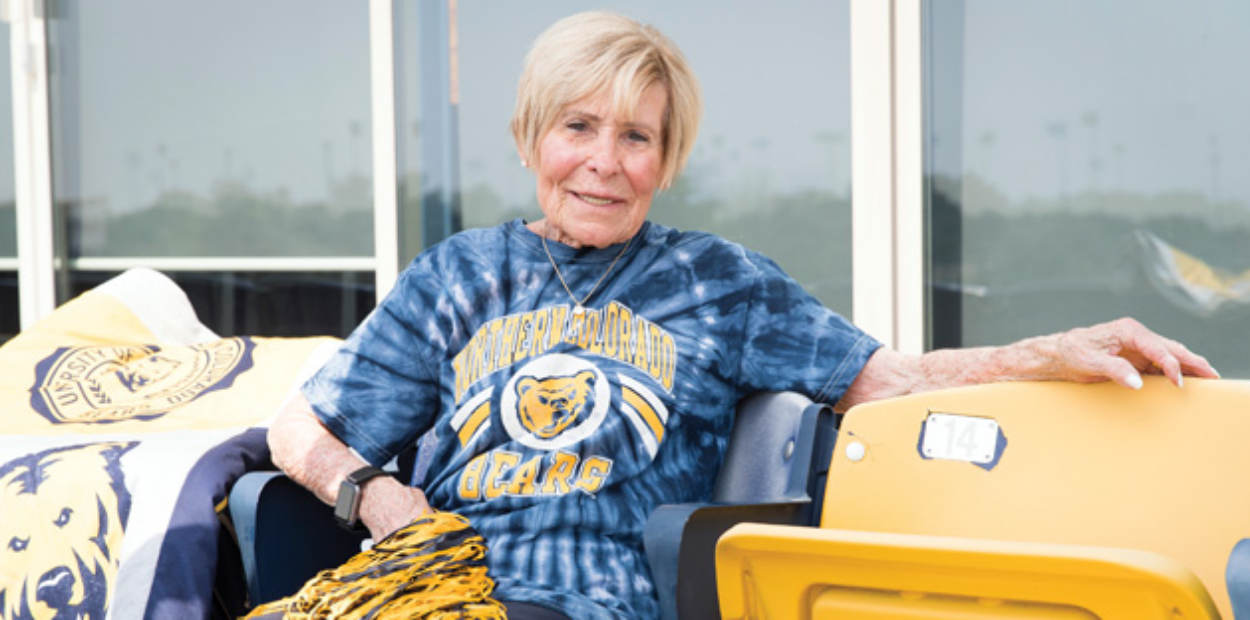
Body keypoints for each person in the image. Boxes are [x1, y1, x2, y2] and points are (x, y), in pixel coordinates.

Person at [267, 10, 1219, 620]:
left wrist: (1057, 351)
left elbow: (890, 381)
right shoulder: (458, 275)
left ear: (666, 159)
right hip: (438, 588)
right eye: (579, 127)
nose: (605, 160)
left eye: (636, 136)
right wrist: (376, 497)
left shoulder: (719, 283)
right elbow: (301, 424)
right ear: (530, 138)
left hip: (592, 599)